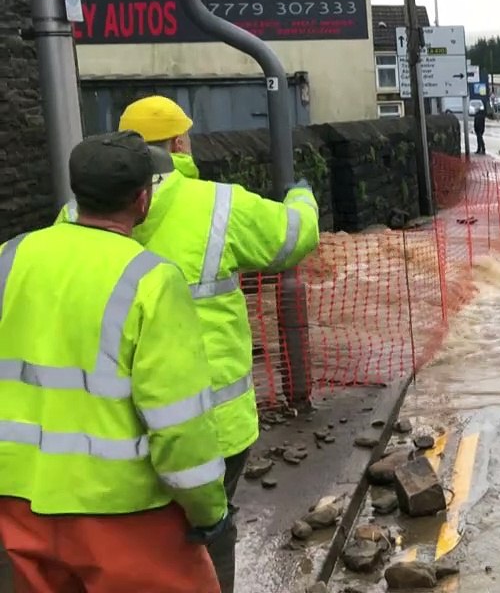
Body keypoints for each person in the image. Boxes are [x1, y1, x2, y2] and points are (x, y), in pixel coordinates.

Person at [56, 95, 320, 592]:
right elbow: (293, 239)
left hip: (103, 422)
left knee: (125, 537)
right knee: (207, 536)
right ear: (179, 143)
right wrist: (301, 196)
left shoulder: (75, 214)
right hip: (213, 422)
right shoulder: (220, 204)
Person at [0, 131, 229, 592]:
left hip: (18, 501)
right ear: (143, 200)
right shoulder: (152, 279)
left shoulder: (11, 255)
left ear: (76, 191)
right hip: (124, 512)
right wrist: (207, 510)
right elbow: (178, 424)